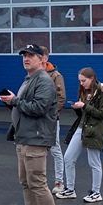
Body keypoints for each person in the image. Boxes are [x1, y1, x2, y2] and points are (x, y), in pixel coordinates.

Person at [0, 44, 63, 205]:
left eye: (31, 56)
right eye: (24, 56)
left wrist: (15, 101)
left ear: (42, 59)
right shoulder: (29, 79)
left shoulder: (44, 81)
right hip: (24, 137)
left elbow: (39, 108)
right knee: (26, 182)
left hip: (36, 138)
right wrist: (11, 102)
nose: (26, 59)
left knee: (37, 183)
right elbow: (25, 106)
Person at [56, 68, 103, 203]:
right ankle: (70, 189)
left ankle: (96, 192)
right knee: (68, 158)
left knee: (94, 162)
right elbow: (84, 112)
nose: (81, 84)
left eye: (84, 81)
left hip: (94, 130)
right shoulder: (84, 90)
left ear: (92, 78)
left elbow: (102, 114)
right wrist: (78, 108)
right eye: (80, 81)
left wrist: (84, 106)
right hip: (82, 127)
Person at [40, 47, 67, 195]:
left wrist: (52, 114)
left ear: (45, 58)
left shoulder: (56, 76)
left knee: (55, 149)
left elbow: (61, 97)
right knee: (39, 149)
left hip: (50, 119)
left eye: (39, 56)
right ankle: (40, 180)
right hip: (37, 118)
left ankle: (59, 181)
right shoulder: (33, 74)